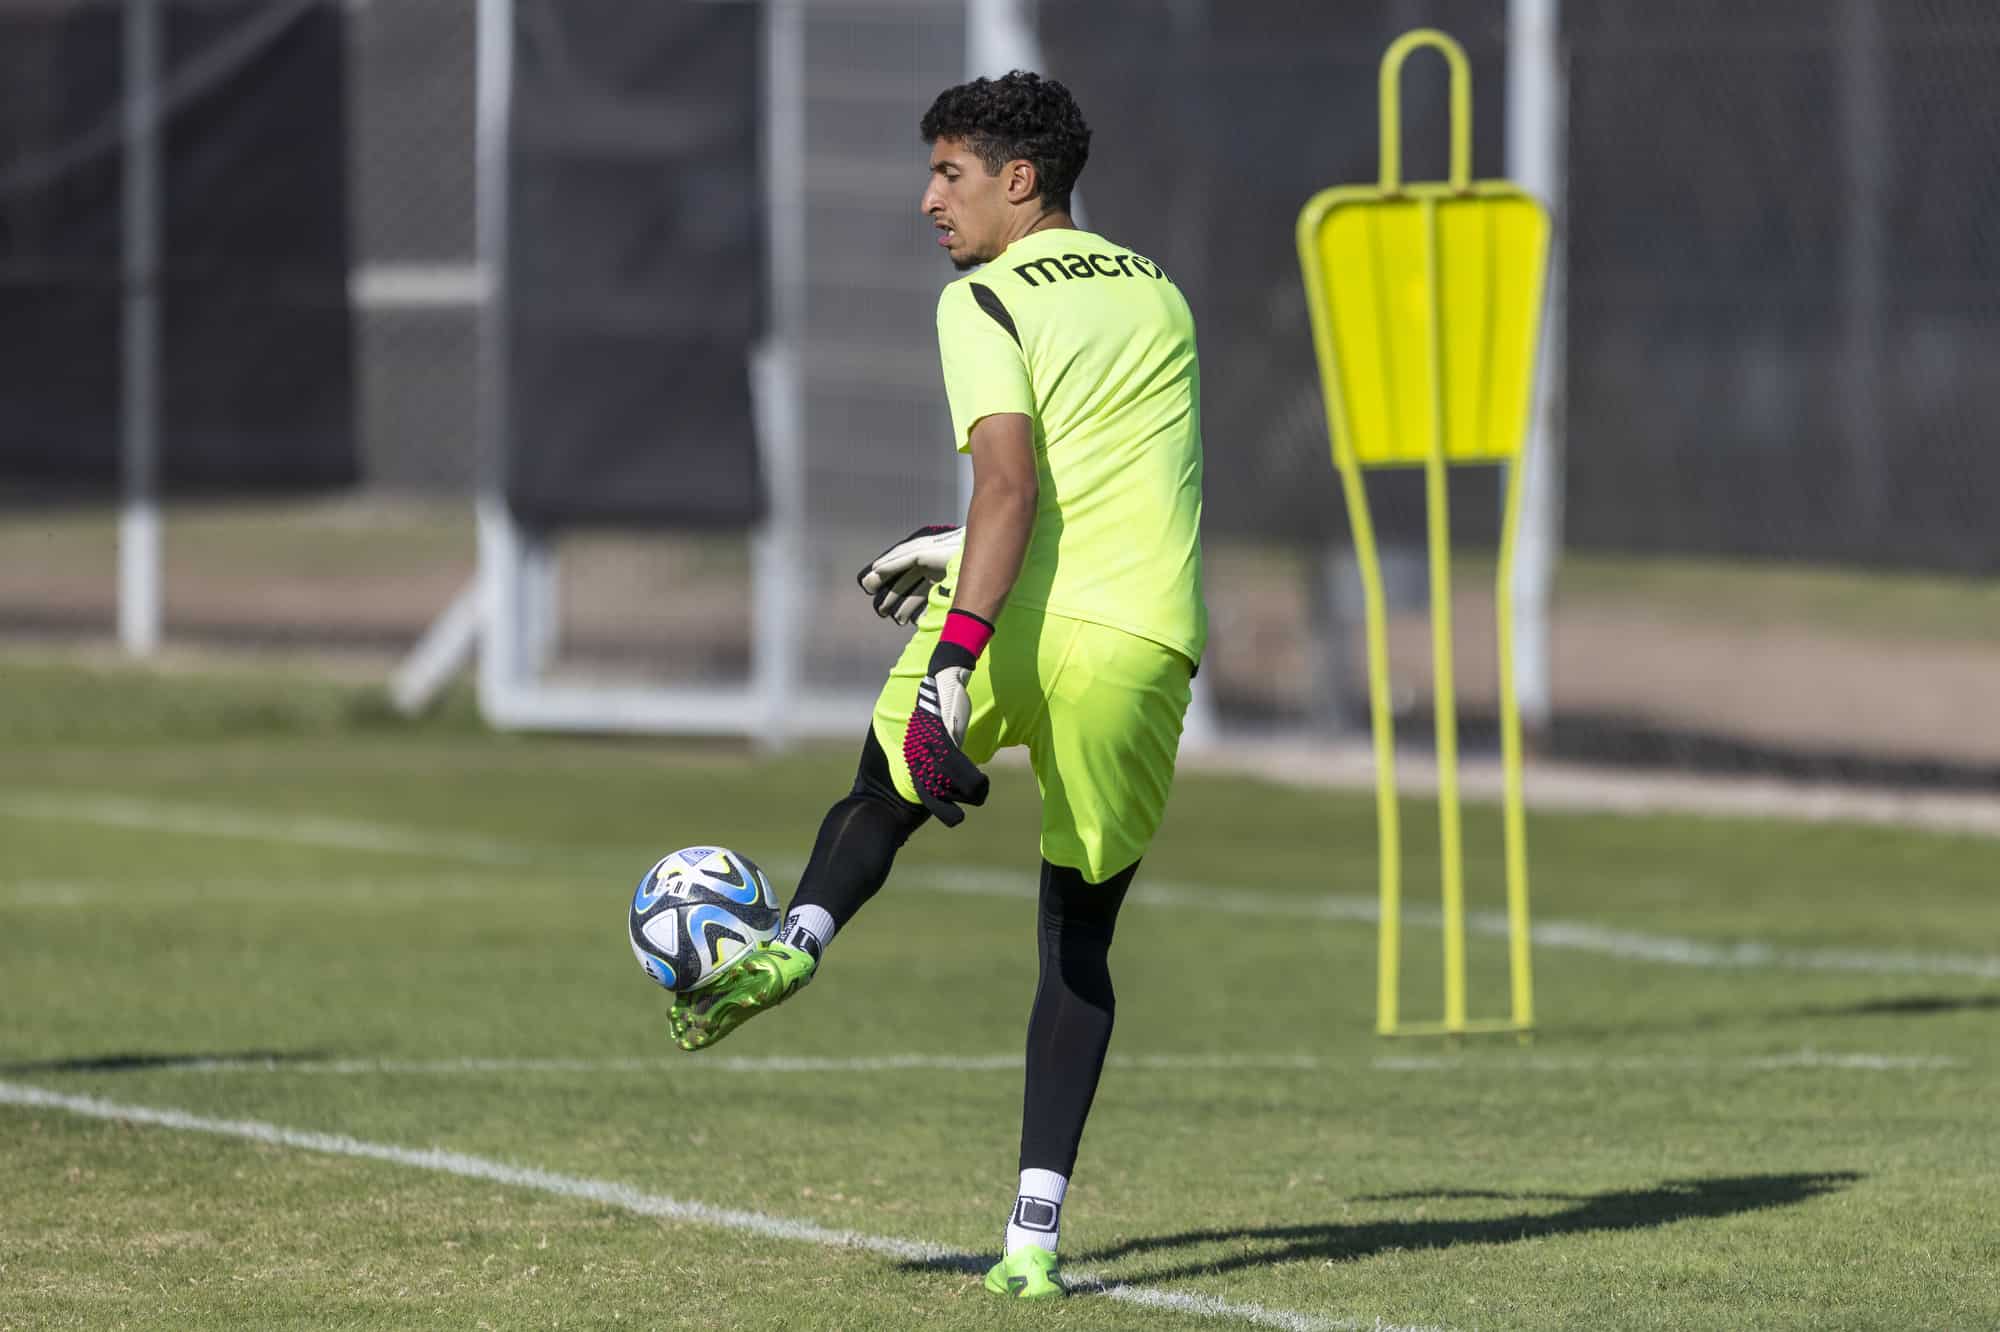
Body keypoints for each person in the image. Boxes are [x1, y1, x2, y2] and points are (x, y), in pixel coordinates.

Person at [669, 69, 1206, 1301]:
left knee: (879, 791)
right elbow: (1119, 487)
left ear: (1018, 181)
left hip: (1009, 622)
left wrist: (957, 651)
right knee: (1077, 929)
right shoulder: (1159, 291)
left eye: (948, 173)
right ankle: (1030, 1240)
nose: (927, 200)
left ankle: (797, 937)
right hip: (1138, 640)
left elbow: (1015, 487)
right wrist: (963, 547)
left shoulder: (985, 298)